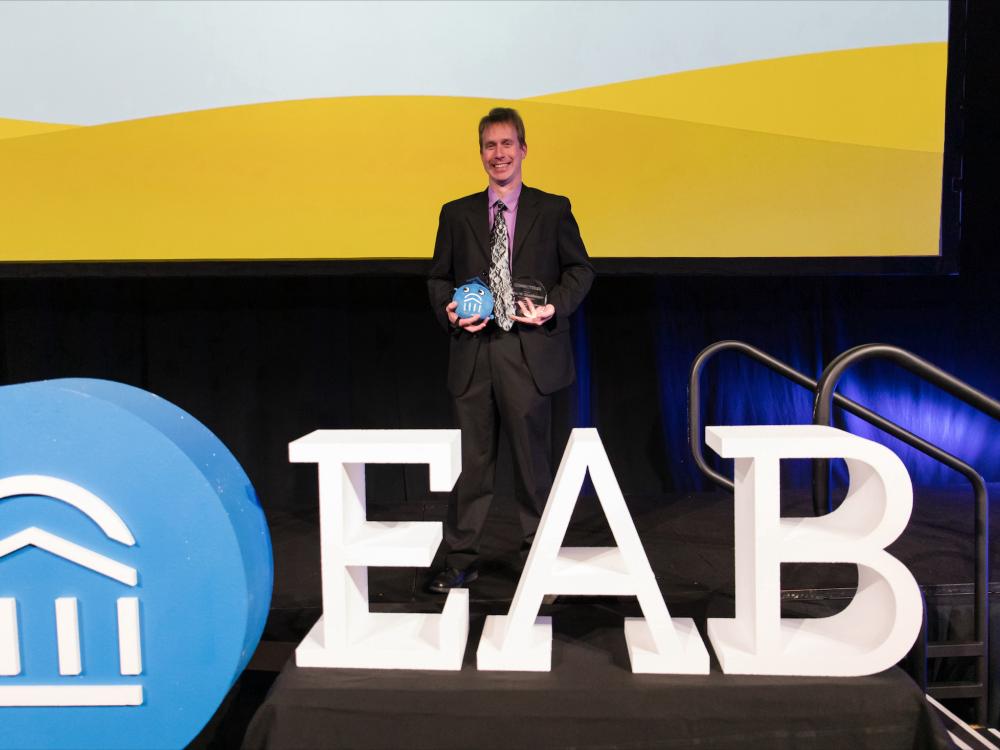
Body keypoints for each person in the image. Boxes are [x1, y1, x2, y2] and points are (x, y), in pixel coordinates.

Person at [426, 107, 594, 592]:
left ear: (522, 149)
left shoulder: (553, 209)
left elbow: (580, 271)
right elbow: (438, 278)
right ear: (481, 153)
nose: (498, 154)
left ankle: (538, 560)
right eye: (489, 146)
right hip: (474, 353)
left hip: (528, 351)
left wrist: (552, 309)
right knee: (473, 464)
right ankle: (460, 557)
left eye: (506, 145)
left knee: (531, 465)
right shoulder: (456, 214)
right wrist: (450, 311)